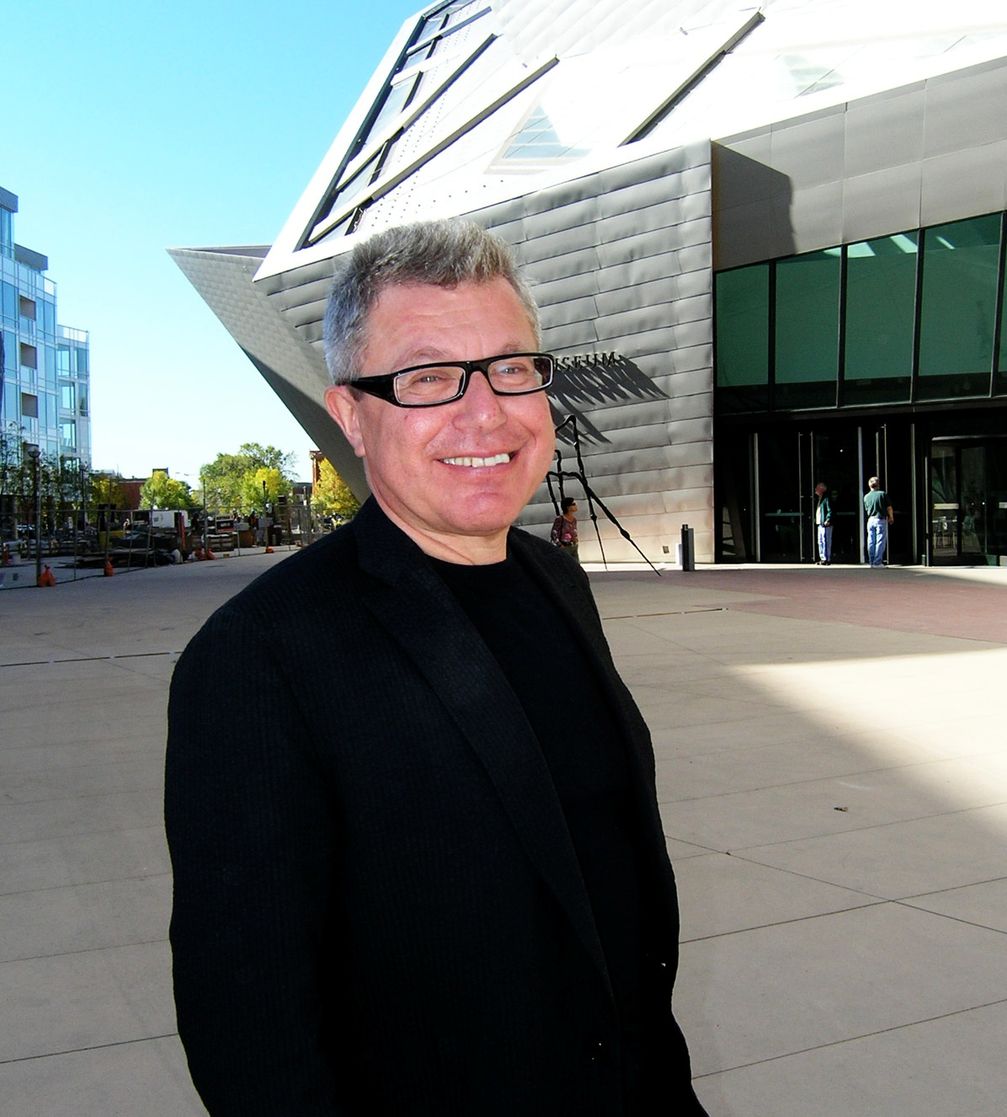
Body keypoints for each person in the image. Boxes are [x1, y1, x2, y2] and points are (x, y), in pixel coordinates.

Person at [165, 219, 706, 1116]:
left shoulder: (556, 583)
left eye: (511, 367)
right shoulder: (259, 657)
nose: (485, 411)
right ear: (351, 417)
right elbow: (249, 1024)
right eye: (426, 378)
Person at [864, 476, 893, 567]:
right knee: (880, 541)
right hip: (880, 519)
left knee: (871, 541)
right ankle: (878, 561)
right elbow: (889, 508)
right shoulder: (882, 494)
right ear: (878, 484)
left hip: (870, 519)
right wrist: (891, 517)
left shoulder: (866, 496)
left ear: (869, 485)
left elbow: (866, 509)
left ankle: (871, 561)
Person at [551, 495, 580, 560]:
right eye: (573, 504)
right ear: (568, 507)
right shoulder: (560, 519)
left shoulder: (574, 519)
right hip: (565, 547)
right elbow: (554, 533)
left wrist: (576, 540)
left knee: (576, 566)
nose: (576, 506)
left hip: (574, 546)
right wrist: (560, 545)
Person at [814, 482, 832, 565]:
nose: (816, 489)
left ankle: (827, 558)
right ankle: (822, 557)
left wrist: (828, 519)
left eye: (817, 488)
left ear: (822, 489)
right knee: (820, 541)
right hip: (819, 523)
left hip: (825, 523)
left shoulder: (826, 498)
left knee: (826, 541)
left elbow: (829, 510)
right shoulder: (819, 499)